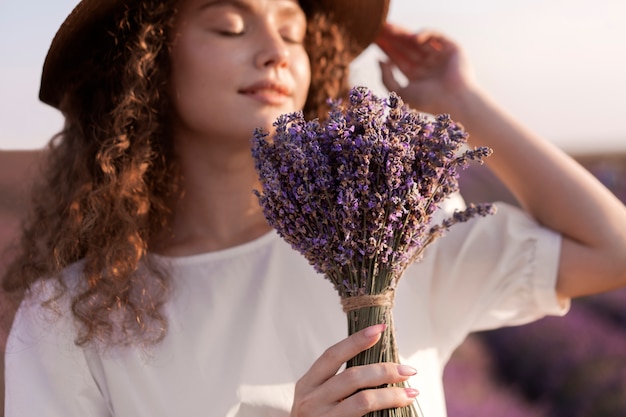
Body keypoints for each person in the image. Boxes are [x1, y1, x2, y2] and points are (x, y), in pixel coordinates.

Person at [2, 0, 626, 416]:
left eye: (293, 32)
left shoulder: (388, 240)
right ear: (145, 62)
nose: (276, 50)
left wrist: (461, 101)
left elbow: (611, 251)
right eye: (228, 26)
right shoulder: (69, 317)